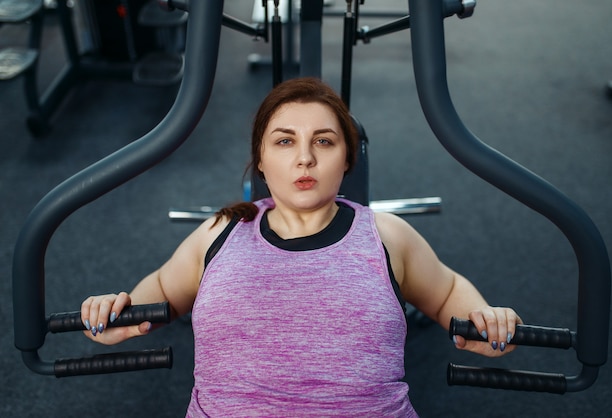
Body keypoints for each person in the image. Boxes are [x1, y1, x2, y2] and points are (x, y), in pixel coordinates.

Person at [81, 77, 522, 417]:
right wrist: (118, 311)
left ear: (347, 159)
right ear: (260, 158)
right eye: (285, 141)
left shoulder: (387, 234)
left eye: (324, 142)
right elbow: (163, 286)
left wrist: (486, 319)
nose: (305, 158)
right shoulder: (222, 230)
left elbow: (446, 291)